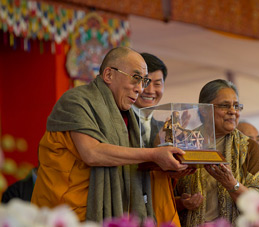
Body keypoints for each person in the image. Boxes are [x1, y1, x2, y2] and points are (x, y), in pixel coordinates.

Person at [31, 47, 188, 222]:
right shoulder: (76, 101)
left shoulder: (129, 117)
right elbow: (92, 153)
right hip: (65, 215)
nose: (140, 89)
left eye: (143, 81)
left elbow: (129, 161)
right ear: (108, 75)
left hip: (113, 212)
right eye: (136, 78)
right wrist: (153, 154)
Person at [175, 79, 259, 226]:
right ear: (203, 110)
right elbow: (161, 195)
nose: (233, 111)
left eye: (236, 106)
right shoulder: (183, 145)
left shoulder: (248, 148)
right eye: (225, 106)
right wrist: (182, 203)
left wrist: (232, 184)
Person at [132, 53, 194, 227]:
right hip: (129, 205)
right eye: (145, 82)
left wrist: (176, 171)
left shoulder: (163, 126)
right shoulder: (119, 121)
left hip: (159, 209)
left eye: (157, 84)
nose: (151, 90)